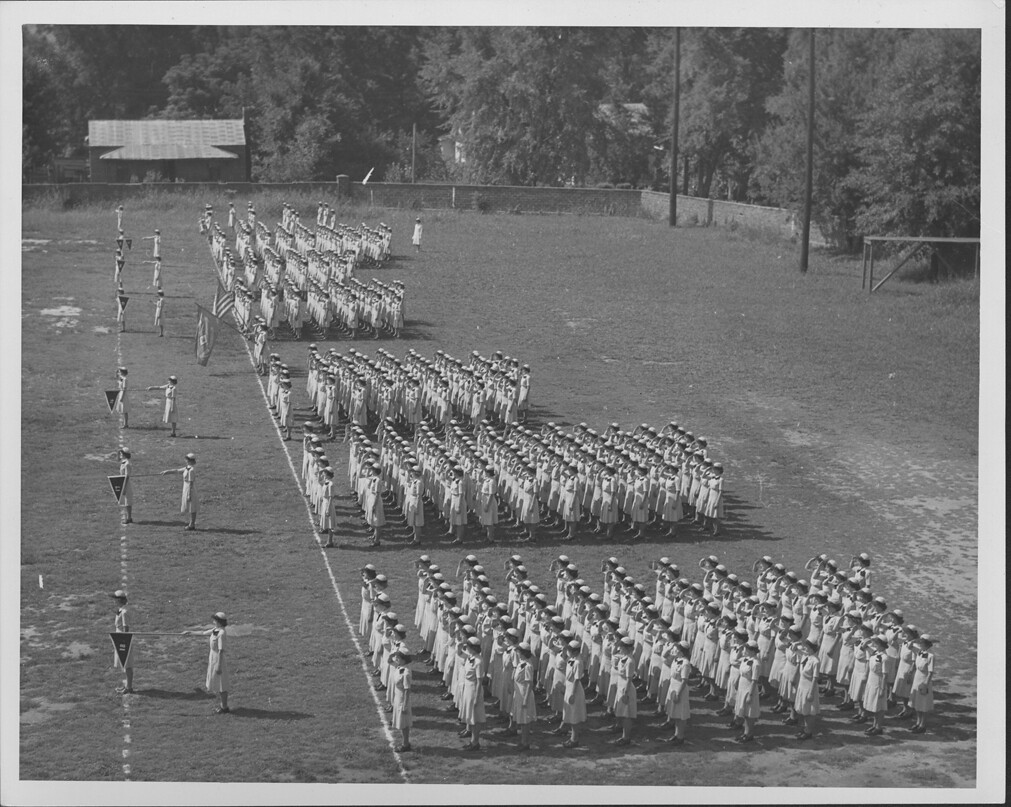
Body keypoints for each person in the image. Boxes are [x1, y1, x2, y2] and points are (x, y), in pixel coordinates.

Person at [186, 612, 230, 713]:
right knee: (219, 683)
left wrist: (219, 666)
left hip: (218, 659)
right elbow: (203, 633)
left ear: (219, 621)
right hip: (213, 657)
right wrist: (190, 632)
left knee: (222, 684)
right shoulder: (216, 630)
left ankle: (224, 707)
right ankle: (223, 706)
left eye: (215, 619)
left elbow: (221, 650)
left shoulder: (222, 633)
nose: (213, 621)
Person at [161, 453, 197, 530]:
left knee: (192, 507)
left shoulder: (191, 470)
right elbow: (177, 471)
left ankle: (192, 524)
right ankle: (191, 524)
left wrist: (189, 494)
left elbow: (191, 483)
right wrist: (167, 471)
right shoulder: (187, 468)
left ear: (189, 460)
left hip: (190, 489)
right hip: (186, 488)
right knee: (189, 506)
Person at [908, 634, 935, 734]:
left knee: (923, 704)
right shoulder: (919, 652)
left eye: (922, 642)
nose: (920, 644)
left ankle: (922, 725)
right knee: (917, 702)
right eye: (920, 642)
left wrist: (925, 685)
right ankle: (918, 722)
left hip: (924, 680)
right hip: (917, 678)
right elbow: (909, 646)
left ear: (927, 644)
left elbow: (930, 672)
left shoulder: (931, 656)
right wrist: (915, 639)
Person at [390, 648, 414, 751]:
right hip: (397, 696)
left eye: (398, 657)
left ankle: (405, 744)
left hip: (402, 699)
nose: (396, 659)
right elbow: (389, 661)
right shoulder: (399, 667)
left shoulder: (406, 672)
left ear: (404, 659)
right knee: (401, 721)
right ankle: (405, 743)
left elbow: (407, 690)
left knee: (404, 723)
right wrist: (393, 655)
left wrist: (404, 704)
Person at [111, 590, 135, 693]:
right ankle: (127, 687)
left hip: (124, 640)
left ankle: (129, 688)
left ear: (119, 600)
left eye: (114, 599)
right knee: (124, 663)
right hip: (120, 639)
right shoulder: (121, 610)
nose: (113, 601)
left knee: (127, 664)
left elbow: (126, 628)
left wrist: (124, 642)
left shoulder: (124, 612)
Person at [118, 448, 134, 524]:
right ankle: (128, 518)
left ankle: (129, 518)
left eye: (121, 454)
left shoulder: (127, 463)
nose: (120, 455)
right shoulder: (124, 462)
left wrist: (124, 487)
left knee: (128, 502)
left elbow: (127, 476)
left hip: (126, 484)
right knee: (125, 501)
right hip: (123, 483)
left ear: (124, 455)